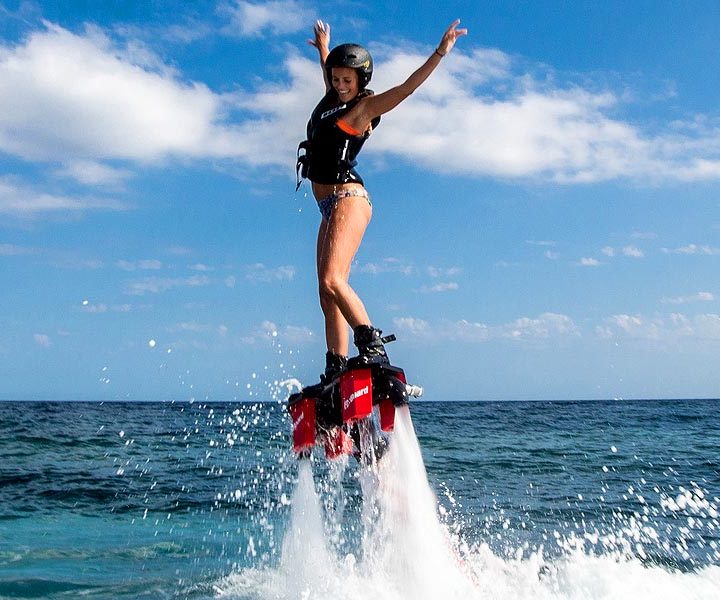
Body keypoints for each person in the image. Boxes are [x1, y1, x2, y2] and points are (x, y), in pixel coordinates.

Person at [297, 19, 467, 389]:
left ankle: (372, 348)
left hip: (348, 197)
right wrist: (325, 48)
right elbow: (331, 72)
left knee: (333, 279)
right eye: (336, 79)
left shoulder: (362, 108)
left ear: (360, 83)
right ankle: (336, 366)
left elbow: (407, 88)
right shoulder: (331, 99)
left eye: (348, 82)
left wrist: (440, 52)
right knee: (325, 292)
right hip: (329, 207)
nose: (341, 86)